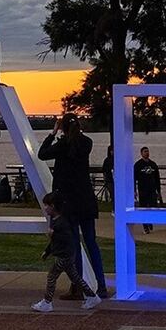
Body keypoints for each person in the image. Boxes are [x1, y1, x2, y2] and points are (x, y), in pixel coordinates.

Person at [37, 113, 109, 298]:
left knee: (74, 246)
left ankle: (78, 287)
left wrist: (52, 134)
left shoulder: (62, 145)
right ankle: (101, 285)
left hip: (69, 203)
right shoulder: (87, 143)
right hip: (86, 200)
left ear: (63, 127)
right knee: (92, 243)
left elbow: (42, 154)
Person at [31, 193, 101, 312]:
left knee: (52, 277)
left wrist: (54, 235)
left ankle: (47, 302)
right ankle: (92, 296)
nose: (45, 208)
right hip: (65, 255)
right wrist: (47, 251)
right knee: (76, 278)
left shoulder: (61, 223)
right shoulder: (55, 221)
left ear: (52, 206)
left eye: (46, 205)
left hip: (64, 256)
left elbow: (65, 239)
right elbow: (54, 241)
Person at [133, 147, 162, 234]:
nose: (147, 153)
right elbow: (134, 178)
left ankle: (150, 221)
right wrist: (134, 190)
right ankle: (145, 226)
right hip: (143, 190)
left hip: (152, 189)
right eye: (145, 152)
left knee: (152, 206)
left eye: (148, 151)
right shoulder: (138, 165)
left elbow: (157, 178)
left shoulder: (153, 165)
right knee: (144, 207)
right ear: (141, 153)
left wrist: (158, 190)